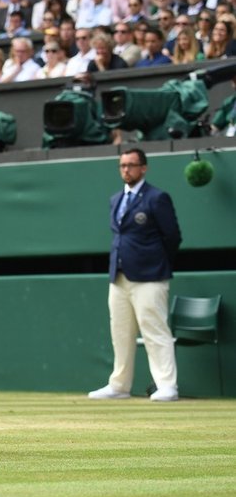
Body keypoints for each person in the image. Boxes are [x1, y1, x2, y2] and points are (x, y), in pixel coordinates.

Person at [89, 148, 182, 402]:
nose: (126, 170)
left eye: (131, 165)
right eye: (122, 165)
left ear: (144, 168)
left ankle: (167, 386)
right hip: (119, 276)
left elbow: (172, 237)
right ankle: (119, 385)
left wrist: (156, 263)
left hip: (150, 276)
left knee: (155, 330)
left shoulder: (157, 198)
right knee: (120, 331)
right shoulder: (115, 199)